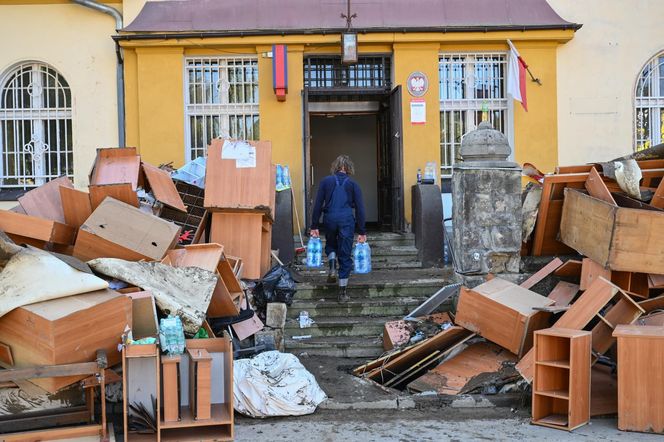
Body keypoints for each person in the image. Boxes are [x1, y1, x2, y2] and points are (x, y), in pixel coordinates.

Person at [310, 155, 367, 302]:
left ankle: (333, 266)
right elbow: (360, 209)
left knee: (330, 245)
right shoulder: (354, 185)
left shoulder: (325, 182)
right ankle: (342, 293)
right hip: (346, 221)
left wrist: (314, 226)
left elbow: (317, 205)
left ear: (336, 167)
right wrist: (362, 231)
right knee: (345, 254)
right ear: (348, 168)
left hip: (329, 219)